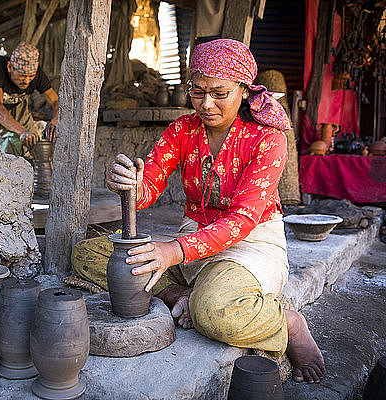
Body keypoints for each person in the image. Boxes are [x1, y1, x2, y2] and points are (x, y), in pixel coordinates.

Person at [102, 39, 325, 384]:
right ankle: (179, 294)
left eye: (219, 93)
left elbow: (241, 220)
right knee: (91, 254)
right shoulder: (183, 130)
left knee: (214, 314)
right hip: (192, 237)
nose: (206, 104)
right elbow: (150, 187)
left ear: (244, 91)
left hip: (250, 245)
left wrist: (172, 251)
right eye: (197, 91)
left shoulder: (268, 138)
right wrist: (130, 185)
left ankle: (288, 324)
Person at [0, 41, 59, 157]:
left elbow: (55, 101)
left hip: (17, 106)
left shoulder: (38, 75)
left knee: (34, 144)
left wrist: (55, 121)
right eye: (22, 75)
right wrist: (22, 131)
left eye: (31, 76)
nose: (27, 80)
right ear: (10, 67)